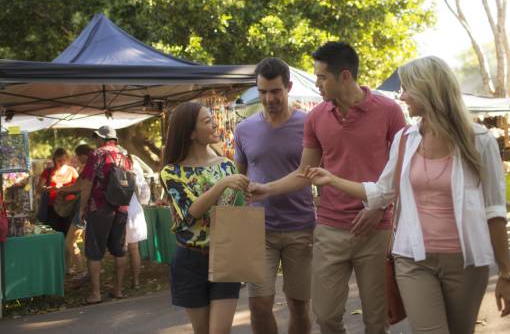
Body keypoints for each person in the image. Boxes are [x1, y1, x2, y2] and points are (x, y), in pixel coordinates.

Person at [301, 56, 510, 333]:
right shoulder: (407, 139)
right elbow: (382, 192)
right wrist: (332, 179)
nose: (401, 96)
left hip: (465, 260)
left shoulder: (479, 141)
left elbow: (495, 212)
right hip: (412, 258)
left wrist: (506, 274)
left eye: (407, 88)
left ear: (428, 90)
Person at [249, 42, 406, 333]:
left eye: (322, 77)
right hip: (330, 228)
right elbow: (304, 173)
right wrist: (266, 189)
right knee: (326, 317)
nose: (317, 84)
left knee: (376, 319)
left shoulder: (389, 111)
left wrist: (379, 206)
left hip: (376, 229)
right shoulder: (317, 117)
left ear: (345, 76)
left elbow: (403, 170)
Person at [233, 58, 315, 334]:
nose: (269, 98)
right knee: (258, 306)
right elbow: (239, 175)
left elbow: (318, 175)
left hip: (301, 227)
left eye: (275, 91)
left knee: (300, 306)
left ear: (288, 87)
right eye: (262, 92)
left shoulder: (309, 125)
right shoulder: (243, 129)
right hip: (258, 229)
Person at [160, 102, 249, 334]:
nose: (215, 125)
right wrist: (221, 186)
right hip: (190, 261)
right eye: (207, 121)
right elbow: (188, 215)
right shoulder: (171, 172)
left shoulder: (228, 167)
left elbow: (237, 211)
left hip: (226, 256)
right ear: (190, 132)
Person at [79, 126, 132, 304]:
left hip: (100, 207)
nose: (96, 141)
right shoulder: (124, 155)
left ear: (102, 139)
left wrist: (81, 209)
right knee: (119, 249)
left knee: (94, 251)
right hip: (122, 207)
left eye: (97, 138)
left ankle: (96, 294)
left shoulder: (97, 154)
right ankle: (118, 290)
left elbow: (87, 184)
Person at [63, 144, 93, 277]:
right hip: (91, 208)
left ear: (83, 155)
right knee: (86, 241)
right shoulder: (93, 166)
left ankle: (82, 271)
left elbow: (81, 187)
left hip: (84, 209)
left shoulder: (88, 167)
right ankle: (89, 269)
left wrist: (60, 190)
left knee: (70, 241)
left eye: (78, 156)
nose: (78, 159)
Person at [36, 148, 79, 235]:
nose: (62, 162)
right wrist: (51, 188)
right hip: (51, 208)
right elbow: (38, 189)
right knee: (53, 233)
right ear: (54, 160)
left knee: (67, 233)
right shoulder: (48, 172)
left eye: (64, 160)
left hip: (68, 207)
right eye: (59, 160)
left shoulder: (72, 171)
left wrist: (67, 190)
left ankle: (65, 248)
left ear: (67, 159)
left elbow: (79, 187)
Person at [126, 158, 150, 289]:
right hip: (134, 209)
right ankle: (135, 282)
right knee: (134, 249)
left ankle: (120, 283)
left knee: (122, 250)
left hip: (123, 211)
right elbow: (145, 194)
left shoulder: (115, 172)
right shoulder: (135, 174)